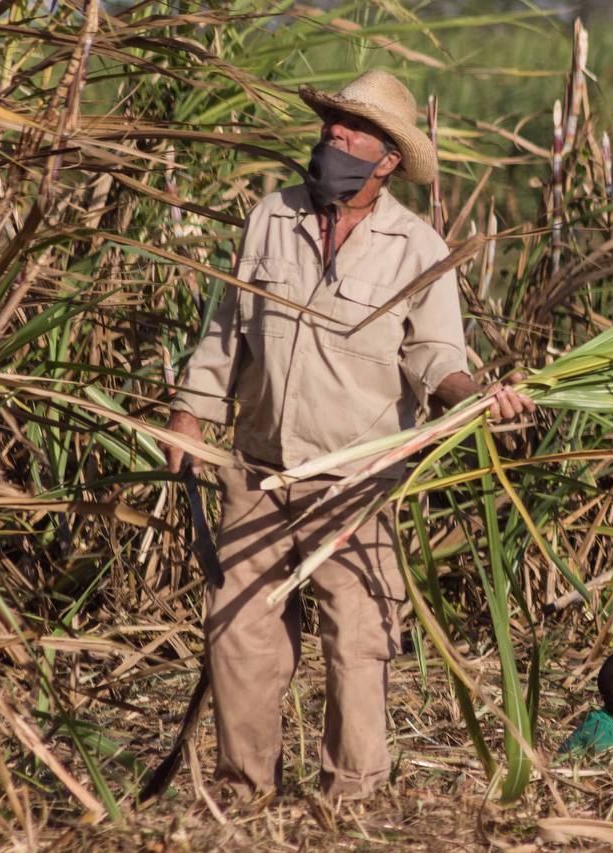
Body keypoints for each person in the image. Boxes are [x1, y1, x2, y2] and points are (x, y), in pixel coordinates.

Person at [161, 68, 534, 802]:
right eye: (333, 122)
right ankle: (244, 790)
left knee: (357, 636)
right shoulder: (272, 217)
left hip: (356, 480)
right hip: (259, 469)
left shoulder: (415, 246)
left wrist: (477, 398)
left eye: (354, 129)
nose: (336, 134)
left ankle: (352, 796)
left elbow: (435, 358)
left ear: (388, 158)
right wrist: (188, 414)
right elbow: (225, 331)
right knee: (239, 631)